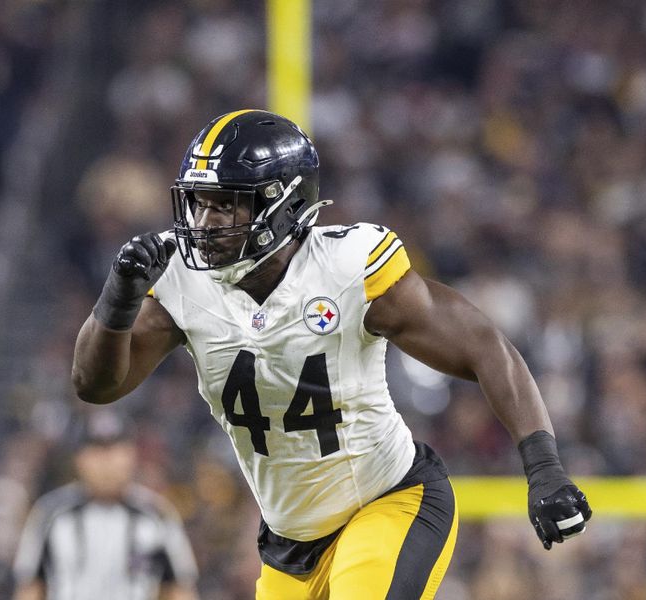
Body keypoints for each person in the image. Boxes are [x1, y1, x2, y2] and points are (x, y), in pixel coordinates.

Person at [72, 109, 592, 599]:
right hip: (288, 545)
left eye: (227, 203)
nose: (206, 222)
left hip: (390, 503)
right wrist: (117, 299)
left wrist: (543, 466)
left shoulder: (348, 269)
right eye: (200, 202)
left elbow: (484, 346)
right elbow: (95, 386)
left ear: (285, 204)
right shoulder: (181, 280)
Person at [12, 411, 200, 600]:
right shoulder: (51, 512)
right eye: (97, 451)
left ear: (132, 455)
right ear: (79, 459)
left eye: (115, 450)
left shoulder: (156, 514)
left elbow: (179, 588)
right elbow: (30, 586)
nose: (106, 462)